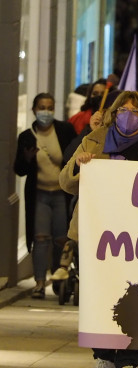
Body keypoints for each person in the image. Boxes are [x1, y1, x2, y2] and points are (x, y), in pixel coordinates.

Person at [59, 91, 138, 368]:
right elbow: (66, 182)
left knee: (133, 297)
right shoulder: (95, 139)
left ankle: (127, 363)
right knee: (98, 293)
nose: (129, 115)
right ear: (113, 112)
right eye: (123, 110)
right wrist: (81, 165)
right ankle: (103, 357)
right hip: (98, 230)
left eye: (135, 111)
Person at [14, 93, 77, 298]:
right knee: (41, 239)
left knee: (61, 238)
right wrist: (27, 158)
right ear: (34, 110)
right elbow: (19, 169)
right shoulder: (27, 136)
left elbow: (74, 156)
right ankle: (40, 283)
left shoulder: (64, 130)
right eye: (42, 107)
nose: (46, 112)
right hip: (39, 195)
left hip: (61, 194)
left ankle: (60, 281)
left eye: (50, 107)